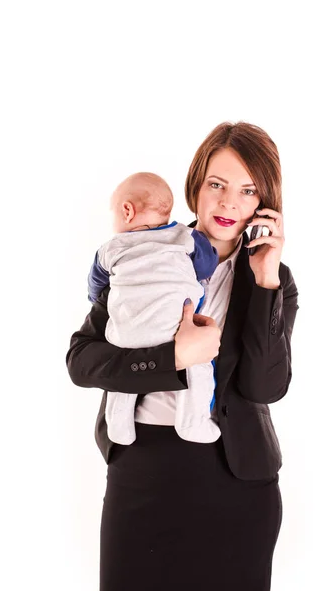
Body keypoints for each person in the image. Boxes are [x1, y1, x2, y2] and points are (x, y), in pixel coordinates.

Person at [66, 121, 300, 591]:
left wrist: (266, 277)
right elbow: (82, 360)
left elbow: (264, 387)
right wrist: (171, 357)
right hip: (142, 472)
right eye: (217, 184)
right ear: (196, 185)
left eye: (248, 191)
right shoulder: (141, 251)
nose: (229, 203)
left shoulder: (273, 280)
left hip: (237, 481)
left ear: (264, 202)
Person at [87, 171, 221, 445]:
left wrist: (101, 299)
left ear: (127, 211)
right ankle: (192, 422)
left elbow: (96, 283)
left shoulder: (110, 248)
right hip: (174, 331)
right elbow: (208, 264)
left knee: (121, 373)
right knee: (199, 362)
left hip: (124, 336)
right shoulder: (185, 236)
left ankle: (119, 424)